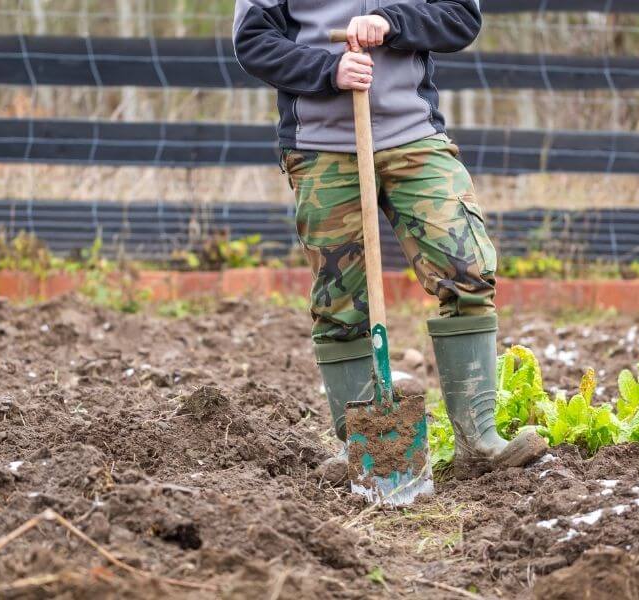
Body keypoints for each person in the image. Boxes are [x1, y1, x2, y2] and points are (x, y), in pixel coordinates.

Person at [233, 0, 546, 482]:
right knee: (340, 302)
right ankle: (364, 448)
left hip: (414, 135)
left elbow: (461, 16)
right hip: (320, 145)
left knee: (466, 267)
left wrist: (392, 22)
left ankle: (479, 441)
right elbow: (253, 40)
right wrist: (329, 69)